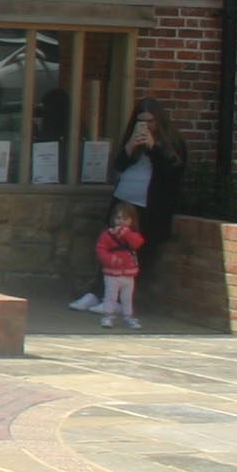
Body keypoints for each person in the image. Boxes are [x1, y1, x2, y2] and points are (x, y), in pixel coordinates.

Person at [71, 99, 185, 309]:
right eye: (141, 121)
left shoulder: (170, 142)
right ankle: (96, 294)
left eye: (150, 121)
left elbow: (171, 171)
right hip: (124, 201)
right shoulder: (134, 140)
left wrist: (153, 147)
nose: (146, 126)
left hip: (149, 206)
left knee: (134, 255)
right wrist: (131, 146)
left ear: (159, 121)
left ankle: (119, 301)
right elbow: (119, 166)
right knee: (111, 247)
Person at [94, 202, 144, 329]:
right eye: (118, 218)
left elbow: (137, 243)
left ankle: (129, 317)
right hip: (112, 273)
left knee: (127, 298)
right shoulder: (107, 234)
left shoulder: (132, 235)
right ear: (114, 219)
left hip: (128, 273)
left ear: (131, 221)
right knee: (110, 296)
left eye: (125, 219)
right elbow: (101, 249)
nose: (121, 221)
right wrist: (110, 259)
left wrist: (125, 234)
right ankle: (108, 316)